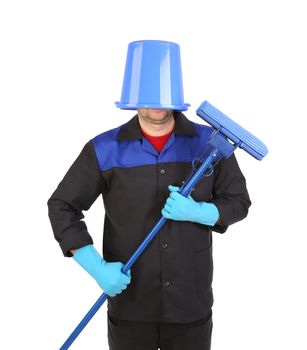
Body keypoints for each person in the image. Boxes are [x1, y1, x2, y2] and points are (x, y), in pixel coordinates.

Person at [47, 40, 251, 350]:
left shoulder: (209, 143)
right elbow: (62, 206)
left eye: (163, 95)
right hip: (130, 305)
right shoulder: (104, 149)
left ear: (176, 95)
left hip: (190, 305)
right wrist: (95, 266)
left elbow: (238, 201)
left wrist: (200, 211)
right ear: (131, 98)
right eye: (147, 95)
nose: (156, 103)